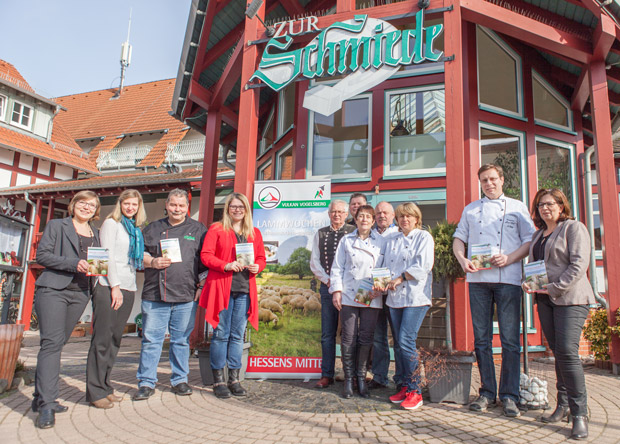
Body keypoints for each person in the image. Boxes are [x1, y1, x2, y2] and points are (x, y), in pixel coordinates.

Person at [453, 164, 535, 417]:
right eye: (484, 180)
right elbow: (459, 239)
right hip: (478, 281)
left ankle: (509, 395)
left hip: (508, 279)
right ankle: (487, 392)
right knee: (481, 339)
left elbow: (530, 241)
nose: (488, 183)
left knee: (510, 340)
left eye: (492, 179)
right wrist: (462, 260)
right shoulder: (471, 209)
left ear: (501, 179)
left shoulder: (517, 207)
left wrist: (509, 259)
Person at [523, 189, 595, 440]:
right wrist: (530, 283)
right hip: (545, 300)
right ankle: (562, 405)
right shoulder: (538, 235)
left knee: (567, 351)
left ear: (561, 206)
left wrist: (553, 287)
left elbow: (578, 265)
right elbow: (537, 268)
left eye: (550, 204)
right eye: (541, 204)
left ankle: (579, 414)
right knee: (558, 352)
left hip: (571, 299)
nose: (545, 208)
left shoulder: (573, 228)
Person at [32, 190, 101, 428]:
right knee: (51, 344)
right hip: (54, 289)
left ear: (96, 210)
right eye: (82, 203)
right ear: (73, 205)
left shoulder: (97, 234)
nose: (86, 207)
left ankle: (40, 396)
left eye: (91, 205)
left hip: (80, 293)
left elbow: (96, 265)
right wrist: (73, 263)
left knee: (59, 344)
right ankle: (47, 405)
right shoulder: (57, 225)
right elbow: (42, 255)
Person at [133, 189, 207, 401]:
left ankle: (179, 380)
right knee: (151, 340)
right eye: (173, 205)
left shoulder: (198, 229)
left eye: (181, 206)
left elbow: (204, 262)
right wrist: (153, 262)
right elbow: (140, 256)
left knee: (181, 340)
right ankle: (146, 382)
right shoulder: (153, 228)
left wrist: (201, 287)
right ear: (167, 205)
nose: (177, 209)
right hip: (155, 294)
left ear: (187, 208)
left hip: (186, 294)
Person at [200, 193, 266, 398]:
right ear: (227, 208)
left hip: (245, 289)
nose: (237, 210)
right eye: (233, 206)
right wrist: (225, 265)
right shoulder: (217, 229)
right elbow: (206, 255)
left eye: (241, 207)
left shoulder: (254, 232)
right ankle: (219, 380)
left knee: (237, 336)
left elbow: (262, 257)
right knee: (221, 334)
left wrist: (258, 266)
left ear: (246, 209)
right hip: (223, 288)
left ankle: (234, 379)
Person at [86, 190, 146, 409]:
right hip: (109, 286)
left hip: (128, 285)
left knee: (114, 340)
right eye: (126, 203)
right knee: (101, 340)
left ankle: (105, 386)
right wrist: (115, 287)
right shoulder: (111, 224)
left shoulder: (134, 229)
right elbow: (107, 255)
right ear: (119, 204)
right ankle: (95, 391)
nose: (130, 207)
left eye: (134, 204)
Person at [330, 205, 385, 398]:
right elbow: (337, 268)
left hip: (371, 295)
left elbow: (385, 267)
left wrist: (380, 287)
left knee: (366, 337)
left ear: (373, 221)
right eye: (361, 216)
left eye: (368, 217)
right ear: (355, 219)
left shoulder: (381, 242)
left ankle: (361, 379)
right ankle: (348, 380)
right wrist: (336, 291)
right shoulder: (346, 240)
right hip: (349, 294)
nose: (364, 220)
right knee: (348, 337)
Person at [384, 202, 434, 410]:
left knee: (406, 340)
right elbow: (385, 266)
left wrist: (400, 277)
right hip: (394, 299)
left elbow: (424, 265)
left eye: (409, 216)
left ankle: (416, 390)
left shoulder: (424, 237)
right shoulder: (392, 240)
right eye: (401, 216)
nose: (405, 220)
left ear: (417, 219)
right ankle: (405, 385)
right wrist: (381, 281)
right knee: (398, 343)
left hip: (416, 297)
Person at [310, 199, 355, 388]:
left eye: (340, 212)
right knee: (327, 333)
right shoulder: (320, 233)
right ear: (329, 214)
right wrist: (329, 281)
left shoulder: (353, 232)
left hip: (349, 290)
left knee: (350, 332)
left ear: (346, 214)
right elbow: (314, 261)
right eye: (333, 212)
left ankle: (350, 374)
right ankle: (326, 374)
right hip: (327, 288)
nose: (336, 215)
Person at [369, 201, 401, 389]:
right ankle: (380, 376)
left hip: (395, 293)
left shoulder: (398, 234)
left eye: (385, 213)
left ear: (393, 215)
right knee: (378, 336)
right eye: (378, 213)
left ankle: (401, 377)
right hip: (374, 292)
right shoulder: (369, 235)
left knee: (399, 337)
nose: (382, 216)